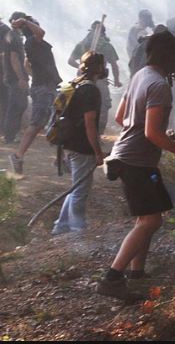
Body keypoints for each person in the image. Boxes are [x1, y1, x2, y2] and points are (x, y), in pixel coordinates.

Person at [97, 30, 175, 300]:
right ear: (169, 56)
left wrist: (158, 135)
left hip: (130, 157)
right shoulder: (159, 85)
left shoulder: (140, 75)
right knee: (150, 220)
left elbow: (121, 118)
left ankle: (137, 272)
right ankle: (113, 277)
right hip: (135, 161)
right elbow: (152, 133)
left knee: (148, 218)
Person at [52, 51, 107, 235]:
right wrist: (98, 152)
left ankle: (61, 226)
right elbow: (89, 124)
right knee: (80, 190)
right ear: (99, 68)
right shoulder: (90, 90)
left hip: (68, 144)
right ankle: (77, 230)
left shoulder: (76, 84)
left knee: (76, 187)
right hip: (81, 146)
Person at [7, 13, 62, 176]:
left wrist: (38, 75)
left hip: (46, 87)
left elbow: (26, 64)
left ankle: (61, 158)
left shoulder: (33, 44)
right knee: (36, 124)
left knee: (57, 122)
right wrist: (25, 21)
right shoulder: (33, 41)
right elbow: (41, 32)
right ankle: (18, 156)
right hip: (43, 89)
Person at [68, 21, 122, 135]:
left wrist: (82, 67)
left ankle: (82, 133)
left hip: (81, 80)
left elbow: (70, 61)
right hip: (99, 80)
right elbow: (114, 65)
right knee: (103, 105)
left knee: (81, 104)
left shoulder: (81, 44)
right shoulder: (107, 46)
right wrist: (117, 80)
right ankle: (96, 134)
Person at [3, 17, 28, 145]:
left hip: (15, 77)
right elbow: (14, 58)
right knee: (15, 106)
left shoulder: (13, 36)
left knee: (20, 105)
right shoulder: (12, 36)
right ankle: (10, 135)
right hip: (15, 78)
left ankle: (12, 133)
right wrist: (20, 78)